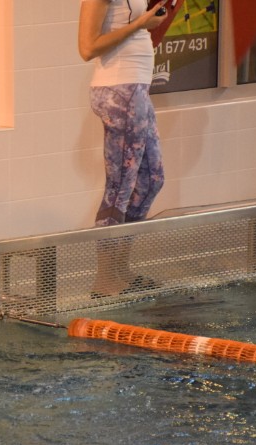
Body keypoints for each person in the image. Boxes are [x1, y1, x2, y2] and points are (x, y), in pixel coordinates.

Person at [78, 0, 166, 297]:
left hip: (136, 88)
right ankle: (105, 278)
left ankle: (120, 269)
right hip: (119, 90)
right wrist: (141, 24)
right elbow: (87, 48)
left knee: (151, 180)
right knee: (119, 188)